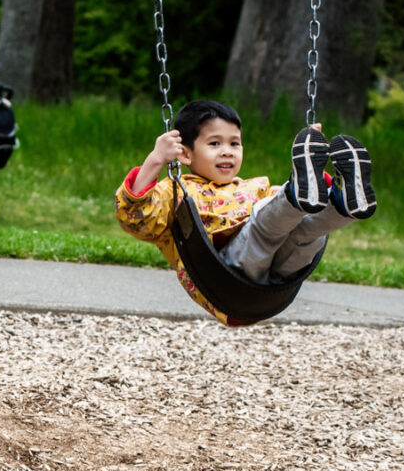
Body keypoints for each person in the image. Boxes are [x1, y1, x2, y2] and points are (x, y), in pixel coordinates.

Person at [115, 98, 377, 326]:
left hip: (276, 285)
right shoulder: (176, 193)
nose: (227, 151)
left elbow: (292, 207)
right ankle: (297, 191)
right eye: (215, 143)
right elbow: (136, 220)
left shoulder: (253, 187)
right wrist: (156, 160)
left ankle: (343, 205)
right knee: (264, 226)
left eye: (235, 143)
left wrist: (314, 165)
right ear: (184, 154)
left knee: (307, 232)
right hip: (225, 279)